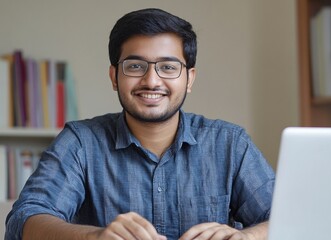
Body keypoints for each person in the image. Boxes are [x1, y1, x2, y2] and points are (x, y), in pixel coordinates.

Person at [5, 8, 275, 240]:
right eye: (135, 66)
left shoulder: (229, 144)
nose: (152, 81)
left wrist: (246, 235)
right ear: (114, 76)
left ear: (189, 79)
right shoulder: (80, 143)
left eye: (168, 67)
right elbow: (23, 220)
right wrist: (96, 236)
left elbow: (290, 216)